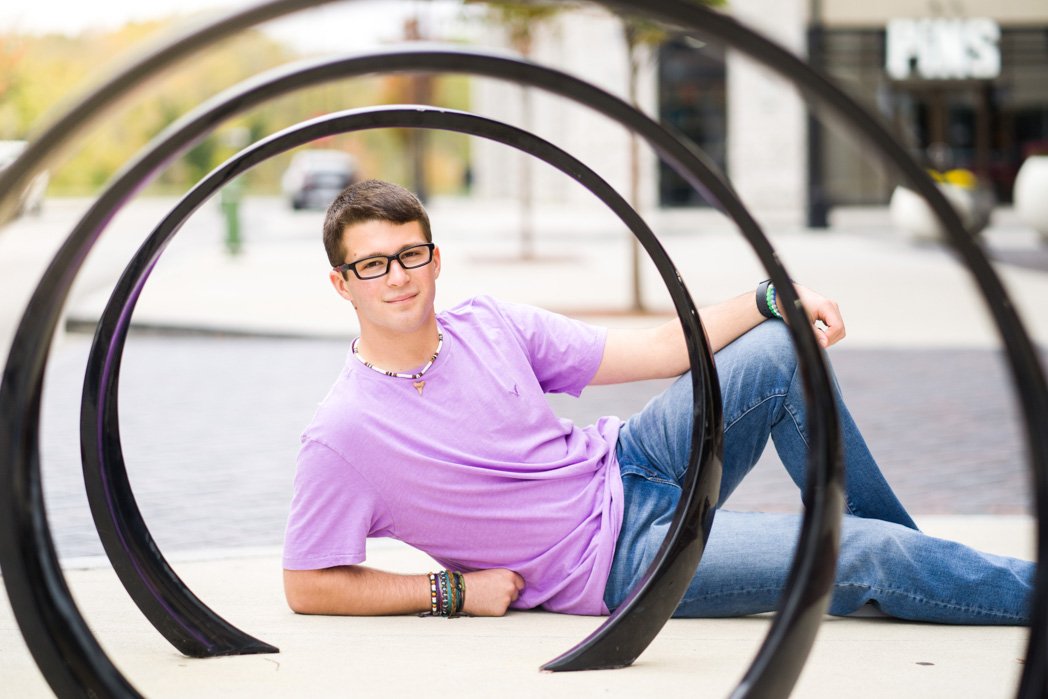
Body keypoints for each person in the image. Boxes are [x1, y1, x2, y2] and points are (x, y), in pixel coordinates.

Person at [282, 179, 1033, 623]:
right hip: (619, 559)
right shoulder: (344, 432)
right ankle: (916, 571)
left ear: (435, 257)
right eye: (373, 264)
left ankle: (919, 573)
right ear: (341, 283)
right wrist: (449, 590)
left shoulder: (488, 324)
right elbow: (307, 582)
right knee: (862, 551)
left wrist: (772, 297)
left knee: (778, 348)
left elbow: (657, 351)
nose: (399, 276)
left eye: (411, 253)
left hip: (636, 458)